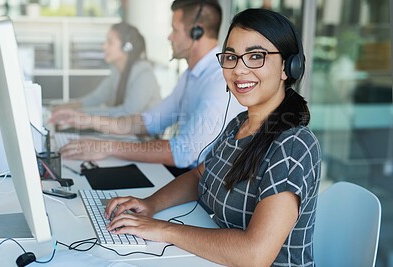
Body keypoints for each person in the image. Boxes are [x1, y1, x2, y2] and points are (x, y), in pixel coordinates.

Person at [103, 8, 322, 267]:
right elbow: (199, 177)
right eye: (231, 57)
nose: (239, 70)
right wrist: (149, 204)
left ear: (288, 67)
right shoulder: (239, 124)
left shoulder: (293, 145)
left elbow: (254, 255)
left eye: (255, 56)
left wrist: (163, 230)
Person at [49, 0, 244, 176]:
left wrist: (107, 146)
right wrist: (85, 120)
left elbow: (182, 152)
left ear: (197, 32)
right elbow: (148, 122)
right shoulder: (191, 76)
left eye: (174, 30)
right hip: (185, 177)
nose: (169, 37)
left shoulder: (219, 79)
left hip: (202, 189)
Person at [55, 22, 161, 116]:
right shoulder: (117, 71)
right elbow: (96, 97)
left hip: (145, 137)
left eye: (110, 42)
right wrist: (67, 107)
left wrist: (80, 114)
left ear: (126, 47)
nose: (104, 46)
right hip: (127, 132)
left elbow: (127, 113)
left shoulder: (144, 74)